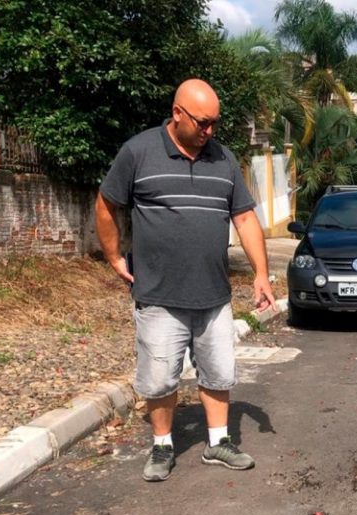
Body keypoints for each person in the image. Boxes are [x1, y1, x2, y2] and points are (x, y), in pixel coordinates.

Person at [95, 78, 276, 482]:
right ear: (178, 113)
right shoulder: (138, 152)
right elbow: (107, 202)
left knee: (218, 372)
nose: (209, 131)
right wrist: (111, 255)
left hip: (213, 295)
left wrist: (262, 274)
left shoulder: (224, 160)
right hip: (158, 295)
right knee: (159, 378)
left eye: (215, 123)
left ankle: (218, 442)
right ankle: (161, 446)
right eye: (203, 123)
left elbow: (244, 218)